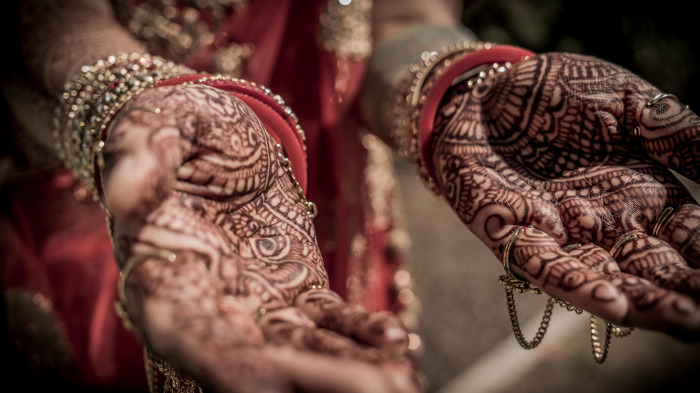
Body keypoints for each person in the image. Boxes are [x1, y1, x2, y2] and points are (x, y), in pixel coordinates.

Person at [1, 0, 699, 392]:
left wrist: (454, 84)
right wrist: (117, 101)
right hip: (119, 216)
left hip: (325, 224)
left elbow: (401, 18)